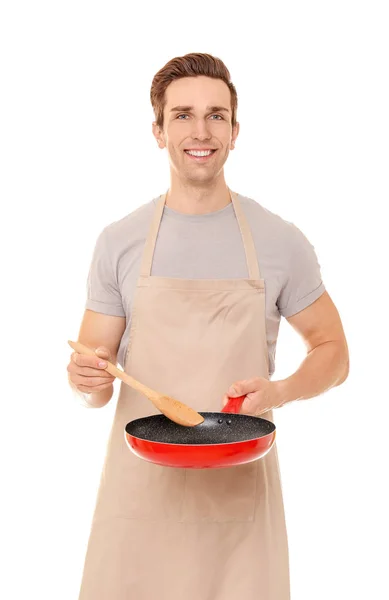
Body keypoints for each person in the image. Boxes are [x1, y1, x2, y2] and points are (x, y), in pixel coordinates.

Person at [67, 52, 349, 600]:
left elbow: (334, 350)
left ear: (235, 131)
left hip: (238, 506)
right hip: (140, 503)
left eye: (216, 115)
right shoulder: (119, 241)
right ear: (157, 130)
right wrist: (86, 380)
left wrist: (283, 391)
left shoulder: (279, 240)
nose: (201, 131)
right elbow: (94, 380)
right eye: (183, 115)